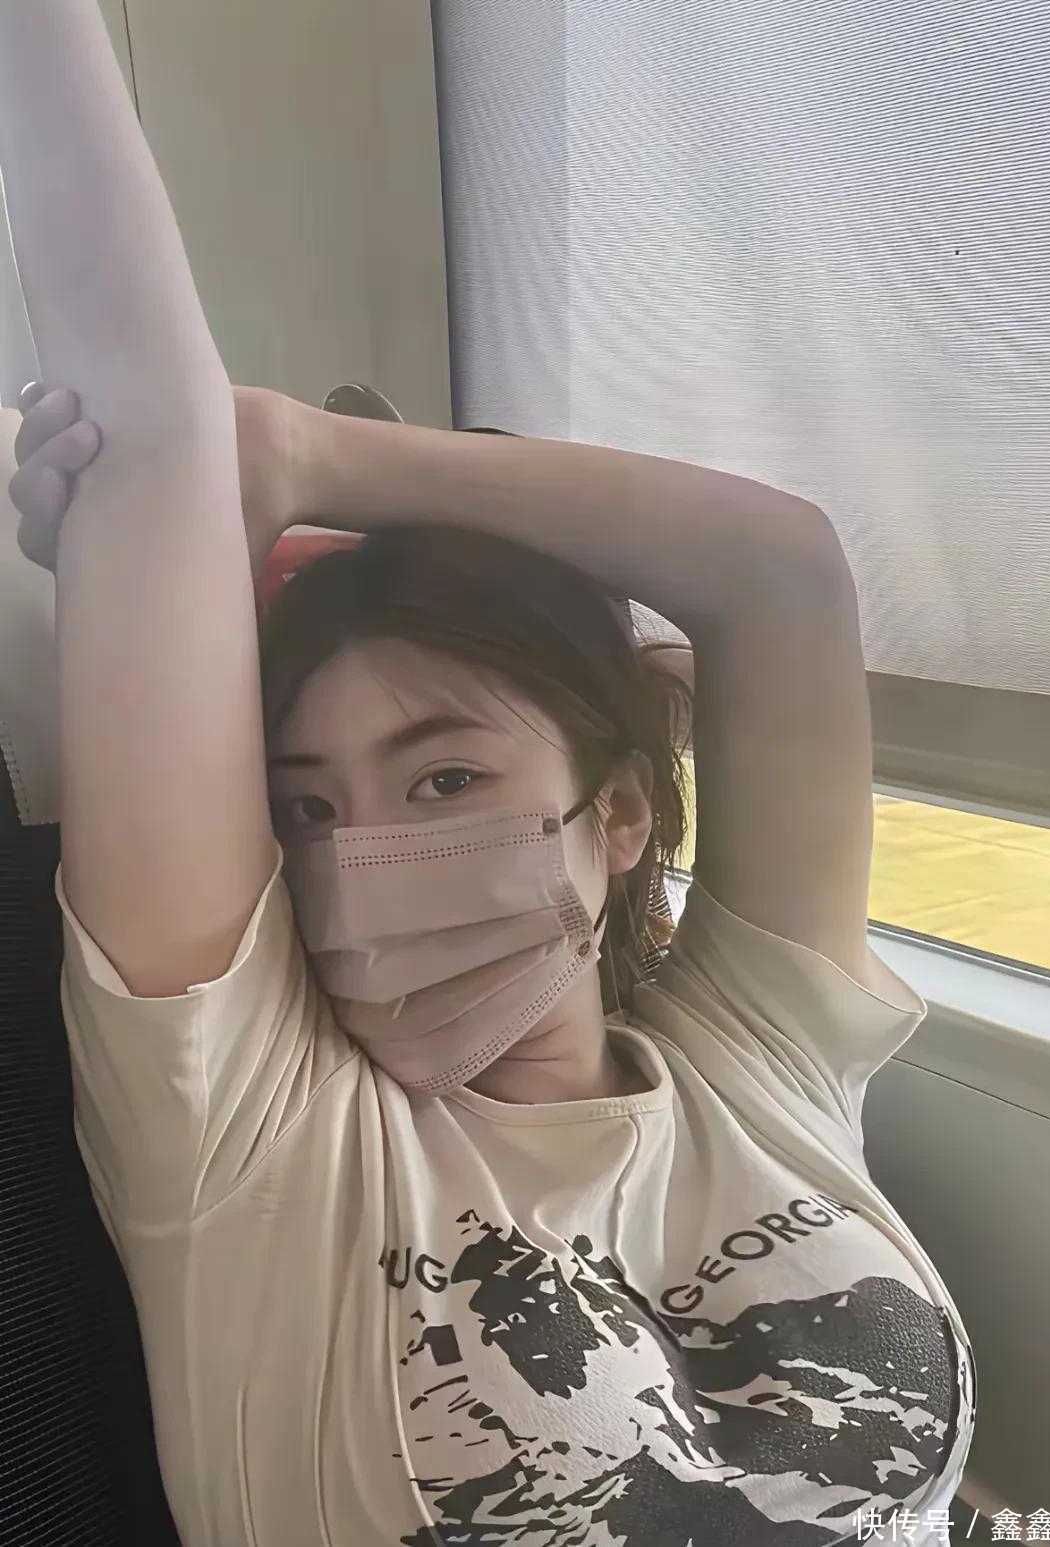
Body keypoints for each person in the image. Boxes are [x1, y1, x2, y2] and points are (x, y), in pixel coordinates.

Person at [1, 2, 975, 1542]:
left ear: (621, 813)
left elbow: (779, 570)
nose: (362, 850)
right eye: (305, 806)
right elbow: (152, 424)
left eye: (443, 779)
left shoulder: (755, 1057)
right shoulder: (260, 1136)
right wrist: (172, 514)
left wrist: (317, 462)